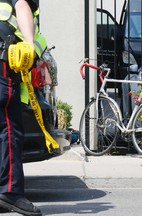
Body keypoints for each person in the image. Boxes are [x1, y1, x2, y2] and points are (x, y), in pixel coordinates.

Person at [0, 0, 43, 215]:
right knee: (8, 127)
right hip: (3, 61)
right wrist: (29, 45)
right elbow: (22, 4)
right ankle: (9, 192)